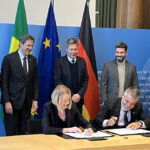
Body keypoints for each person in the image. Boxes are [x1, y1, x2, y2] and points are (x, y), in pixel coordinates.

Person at [1, 34, 39, 136]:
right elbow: (3, 83)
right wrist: (6, 101)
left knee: (24, 135)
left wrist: (35, 100)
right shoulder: (8, 59)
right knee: (11, 135)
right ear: (20, 44)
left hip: (27, 105)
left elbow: (35, 81)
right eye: (28, 45)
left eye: (32, 46)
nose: (30, 48)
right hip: (12, 105)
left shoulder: (33, 60)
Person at [54, 38, 89, 113]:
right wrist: (71, 95)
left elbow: (85, 79)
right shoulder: (60, 62)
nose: (73, 52)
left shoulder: (82, 61)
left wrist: (79, 94)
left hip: (79, 100)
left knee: (78, 122)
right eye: (71, 49)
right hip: (64, 100)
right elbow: (58, 81)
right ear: (66, 49)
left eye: (75, 49)